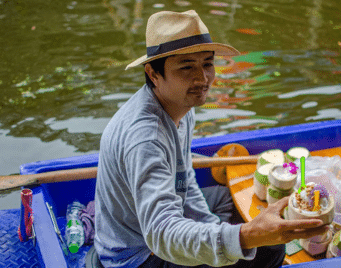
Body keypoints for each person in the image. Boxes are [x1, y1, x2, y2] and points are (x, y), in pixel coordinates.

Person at [94, 10, 328, 268]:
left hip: (153, 226)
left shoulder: (180, 104)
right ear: (153, 74)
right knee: (271, 247)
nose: (202, 79)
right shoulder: (146, 137)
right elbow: (161, 234)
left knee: (228, 198)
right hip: (136, 256)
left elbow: (183, 179)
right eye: (186, 67)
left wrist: (213, 227)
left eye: (207, 63)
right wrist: (245, 236)